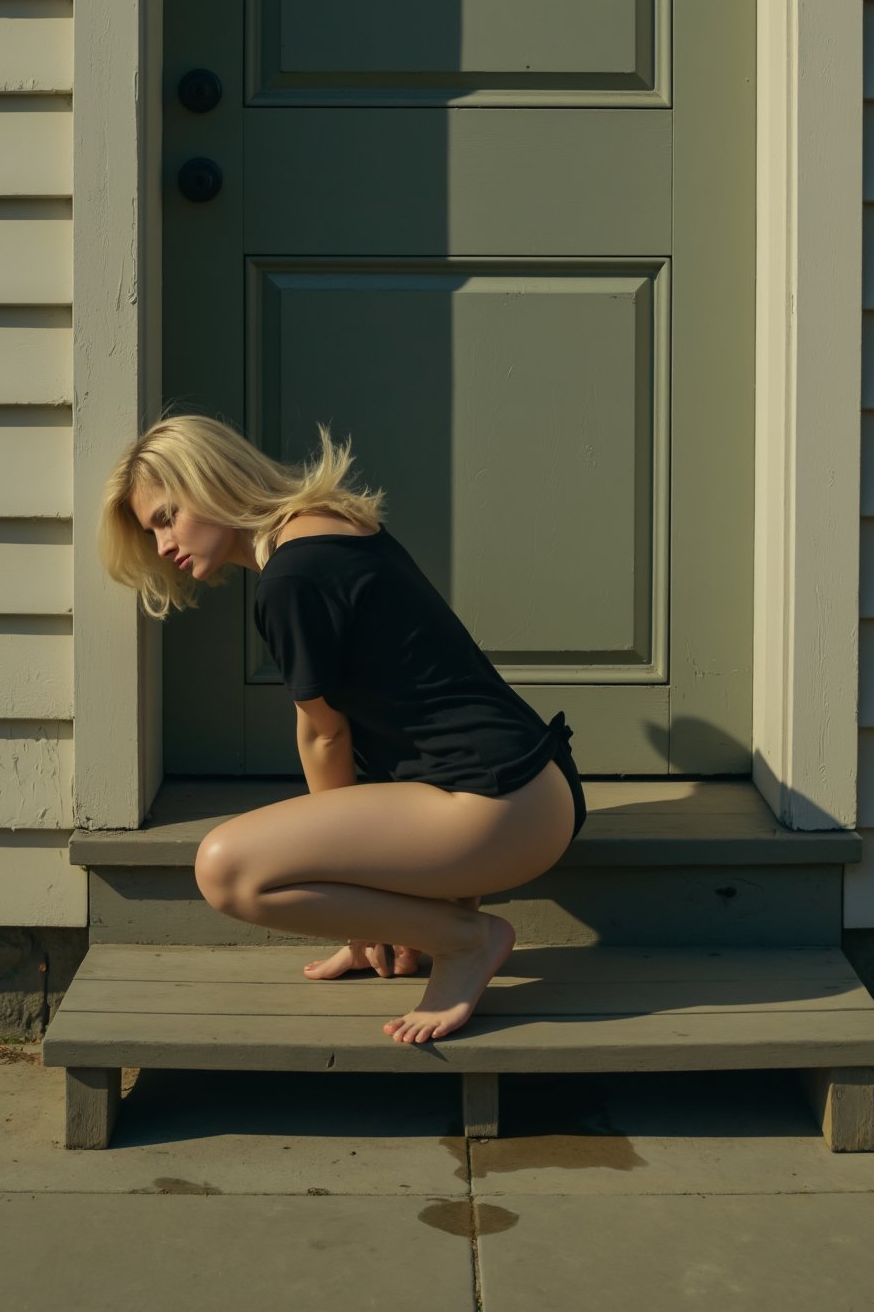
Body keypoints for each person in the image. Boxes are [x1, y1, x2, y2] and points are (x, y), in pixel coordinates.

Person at [98, 412, 587, 1044]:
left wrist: (350, 893)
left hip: (497, 804)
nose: (162, 544)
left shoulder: (290, 580)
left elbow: (326, 737)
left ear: (211, 480)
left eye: (167, 516)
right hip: (527, 790)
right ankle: (440, 930)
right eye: (151, 530)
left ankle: (467, 944)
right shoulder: (330, 524)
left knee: (224, 869)